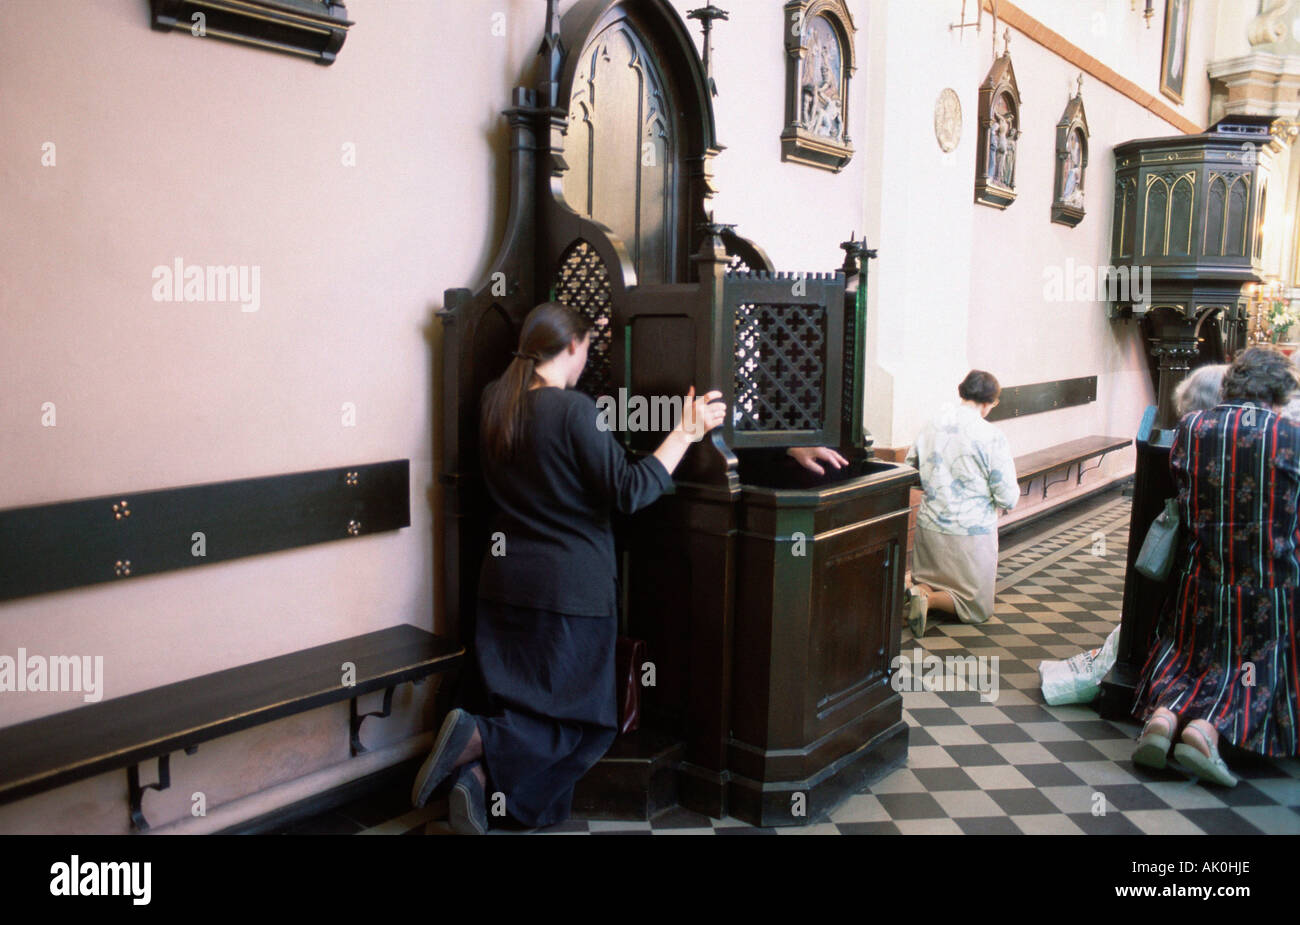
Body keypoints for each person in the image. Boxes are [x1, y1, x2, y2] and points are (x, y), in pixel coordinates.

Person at [411, 301, 725, 833]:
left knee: (526, 709)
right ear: (574, 346)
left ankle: (480, 781)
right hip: (569, 592)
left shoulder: (495, 401)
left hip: (504, 585)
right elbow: (630, 490)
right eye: (588, 349)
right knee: (590, 721)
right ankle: (478, 738)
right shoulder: (573, 410)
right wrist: (686, 434)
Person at [1132, 346, 1300, 786]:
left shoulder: (1193, 426)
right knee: (1250, 666)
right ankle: (1206, 733)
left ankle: (1164, 719)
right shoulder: (1288, 435)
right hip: (1268, 585)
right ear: (1277, 392)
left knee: (1193, 657)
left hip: (1202, 573)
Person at [904, 370, 1018, 638]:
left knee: (929, 579)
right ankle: (928, 601)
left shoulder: (931, 424)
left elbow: (911, 469)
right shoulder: (991, 435)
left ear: (962, 392)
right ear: (991, 403)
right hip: (971, 534)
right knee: (976, 606)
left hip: (930, 525)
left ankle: (921, 592)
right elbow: (1006, 496)